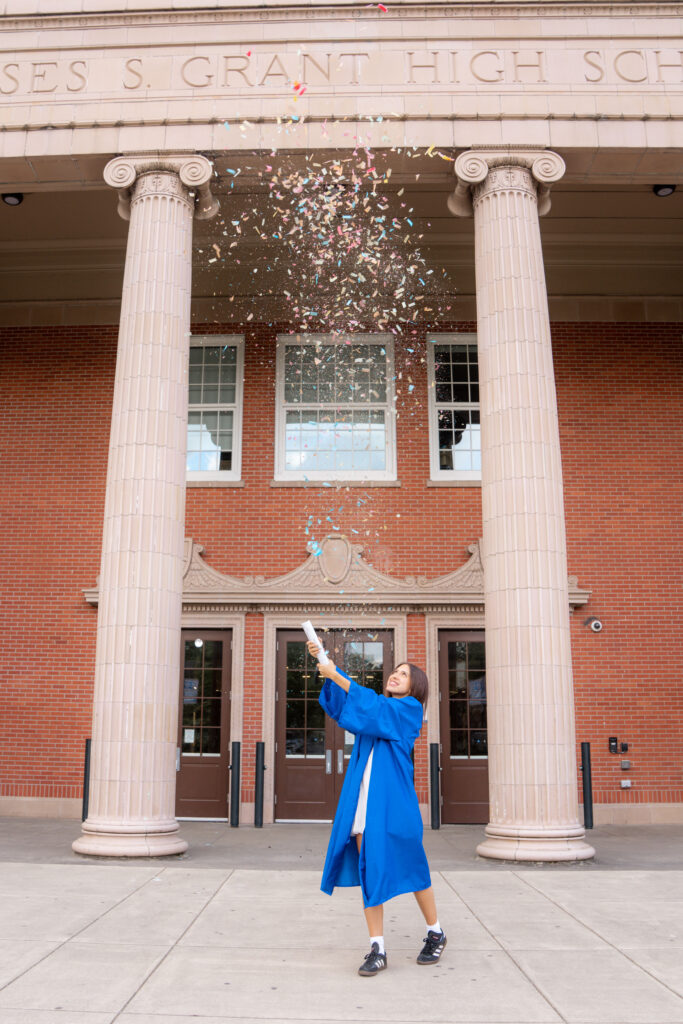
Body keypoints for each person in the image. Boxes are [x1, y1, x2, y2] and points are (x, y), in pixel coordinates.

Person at [307, 639, 446, 977]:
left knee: (413, 870)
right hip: (363, 806)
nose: (396, 676)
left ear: (416, 687)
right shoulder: (377, 709)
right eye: (395, 672)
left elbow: (373, 709)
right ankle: (378, 947)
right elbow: (345, 708)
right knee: (370, 875)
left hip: (395, 807)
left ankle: (436, 931)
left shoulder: (409, 711)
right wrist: (326, 665)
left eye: (404, 674)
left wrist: (337, 674)